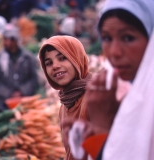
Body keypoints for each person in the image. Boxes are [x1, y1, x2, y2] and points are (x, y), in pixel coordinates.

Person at [63, 0, 154, 159]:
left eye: (127, 38)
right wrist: (93, 136)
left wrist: (101, 127)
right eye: (106, 38)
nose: (114, 52)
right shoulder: (123, 89)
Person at [38, 35, 92, 160]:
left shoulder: (95, 98)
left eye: (62, 58)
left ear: (76, 58)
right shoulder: (65, 103)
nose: (55, 66)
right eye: (49, 63)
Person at [0, 24, 39, 112]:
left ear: (14, 40)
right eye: (3, 39)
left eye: (6, 40)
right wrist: (9, 93)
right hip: (3, 102)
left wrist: (22, 91)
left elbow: (34, 79)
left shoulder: (28, 57)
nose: (4, 42)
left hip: (26, 101)